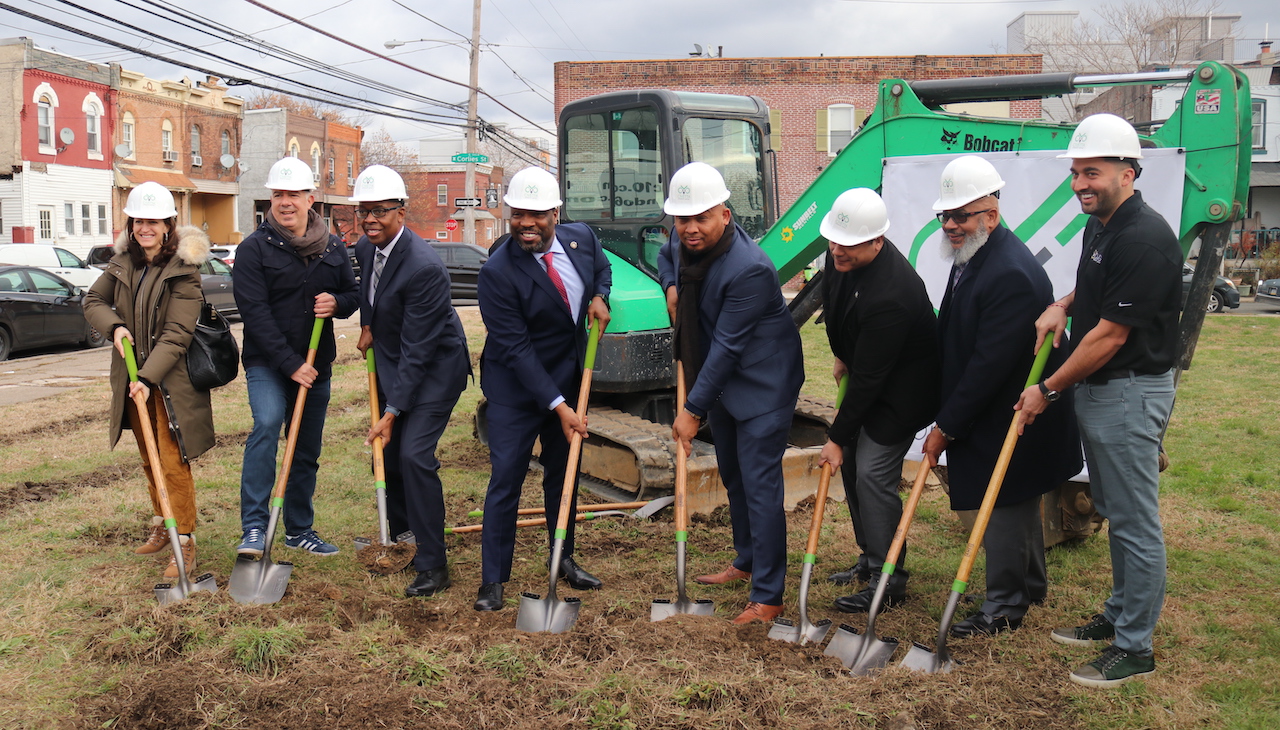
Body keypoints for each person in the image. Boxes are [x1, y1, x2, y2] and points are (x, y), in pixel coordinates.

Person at [1015, 114, 1180, 688]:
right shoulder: (1104, 225)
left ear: (1129, 172)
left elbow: (1110, 335)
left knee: (1134, 522)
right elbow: (1095, 287)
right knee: (1113, 508)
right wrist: (1062, 301)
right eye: (1077, 172)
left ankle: (1136, 647)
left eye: (1094, 172)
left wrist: (1046, 389)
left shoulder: (1144, 237)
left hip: (1130, 394)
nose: (1081, 183)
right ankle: (1116, 616)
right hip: (1104, 392)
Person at [920, 156, 1082, 637]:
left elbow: (988, 368)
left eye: (961, 216)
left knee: (1005, 502)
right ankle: (1028, 584)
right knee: (1015, 499)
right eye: (943, 216)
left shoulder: (1007, 272)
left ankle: (1006, 604)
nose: (950, 225)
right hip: (998, 407)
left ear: (991, 214)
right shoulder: (976, 253)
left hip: (1012, 410)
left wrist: (946, 426)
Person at [660, 162, 805, 625]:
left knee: (761, 487)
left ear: (725, 213)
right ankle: (746, 560)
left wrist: (691, 410)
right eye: (682, 220)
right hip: (721, 381)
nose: (690, 229)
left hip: (762, 383)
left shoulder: (750, 269)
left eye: (701, 218)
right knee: (734, 475)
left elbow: (726, 348)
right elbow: (667, 256)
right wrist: (670, 287)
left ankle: (769, 596)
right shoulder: (684, 242)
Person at [473, 166, 612, 612]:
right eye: (517, 214)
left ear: (556, 213)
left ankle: (563, 557)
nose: (525, 223)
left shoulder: (582, 240)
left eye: (536, 214)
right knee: (507, 478)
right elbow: (515, 349)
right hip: (516, 388)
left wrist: (600, 296)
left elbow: (602, 268)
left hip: (567, 378)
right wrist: (557, 407)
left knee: (562, 473)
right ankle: (493, 579)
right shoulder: (497, 272)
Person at [815, 188, 940, 614]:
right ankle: (870, 558)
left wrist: (836, 435)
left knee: (870, 473)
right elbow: (834, 308)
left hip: (903, 394)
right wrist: (841, 353)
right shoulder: (841, 260)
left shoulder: (894, 293)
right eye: (833, 241)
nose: (837, 251)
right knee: (850, 462)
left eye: (847, 245)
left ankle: (890, 582)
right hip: (869, 371)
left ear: (877, 242)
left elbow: (870, 382)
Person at [84, 181, 215, 579]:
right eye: (138, 220)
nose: (144, 228)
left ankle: (186, 542)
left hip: (169, 383)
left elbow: (177, 334)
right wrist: (115, 328)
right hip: (132, 377)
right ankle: (163, 523)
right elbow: (92, 301)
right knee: (148, 456)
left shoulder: (184, 270)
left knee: (172, 461)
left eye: (152, 221)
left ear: (168, 225)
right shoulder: (123, 263)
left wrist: (146, 378)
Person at [232, 157, 360, 559]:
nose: (285, 202)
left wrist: (337, 301)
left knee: (305, 448)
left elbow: (354, 297)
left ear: (311, 199)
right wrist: (291, 363)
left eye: (293, 195)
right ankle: (254, 527)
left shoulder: (333, 247)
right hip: (269, 364)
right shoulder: (253, 249)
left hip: (316, 365)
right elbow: (255, 314)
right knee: (268, 426)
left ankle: (299, 529)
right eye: (278, 195)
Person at [353, 165, 470, 598]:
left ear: (401, 212)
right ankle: (403, 536)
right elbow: (372, 293)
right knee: (389, 454)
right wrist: (368, 325)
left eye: (379, 211)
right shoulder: (369, 250)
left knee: (415, 456)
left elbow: (419, 350)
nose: (369, 220)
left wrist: (391, 412)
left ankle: (433, 563)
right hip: (396, 361)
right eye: (363, 211)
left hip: (437, 369)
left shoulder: (423, 266)